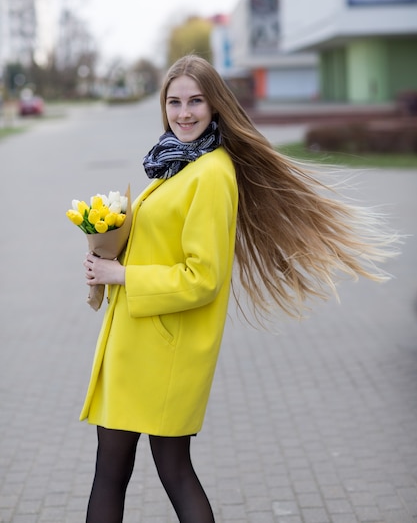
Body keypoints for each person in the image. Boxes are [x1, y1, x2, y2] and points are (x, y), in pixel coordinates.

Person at [81, 54, 398, 522]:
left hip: (165, 350)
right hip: (137, 344)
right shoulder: (176, 164)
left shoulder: (211, 173)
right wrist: (110, 251)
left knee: (161, 468)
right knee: (119, 466)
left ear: (215, 106)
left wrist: (122, 275)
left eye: (196, 101)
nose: (184, 112)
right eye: (174, 102)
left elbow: (203, 278)